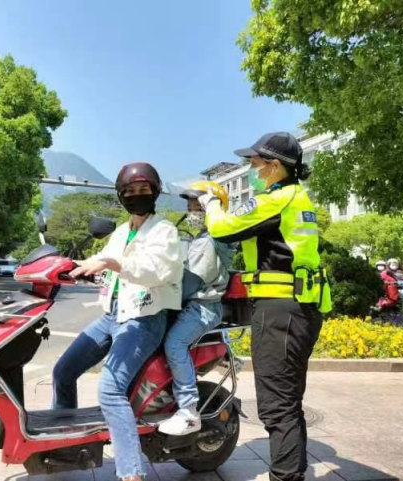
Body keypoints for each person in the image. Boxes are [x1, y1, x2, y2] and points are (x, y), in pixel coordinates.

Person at [199, 132, 332, 481]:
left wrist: (211, 201)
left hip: (279, 312)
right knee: (288, 399)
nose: (253, 169)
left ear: (275, 166)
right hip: (297, 309)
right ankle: (293, 473)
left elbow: (223, 229)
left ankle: (285, 476)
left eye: (256, 163)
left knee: (276, 405)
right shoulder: (296, 196)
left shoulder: (278, 199)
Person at [51, 162, 183, 481]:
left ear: (154, 193)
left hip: (144, 318)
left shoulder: (165, 230)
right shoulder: (122, 231)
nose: (137, 196)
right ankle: (65, 446)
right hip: (113, 315)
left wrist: (114, 263)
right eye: (131, 191)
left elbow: (157, 271)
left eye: (144, 190)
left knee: (110, 390)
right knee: (63, 371)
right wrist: (71, 267)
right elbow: (102, 263)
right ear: (121, 196)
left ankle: (132, 474)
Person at [157, 180, 235, 436]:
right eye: (190, 206)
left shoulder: (209, 241)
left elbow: (190, 283)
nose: (192, 212)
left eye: (198, 206)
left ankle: (189, 411)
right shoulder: (205, 238)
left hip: (203, 307)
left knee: (174, 343)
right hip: (196, 303)